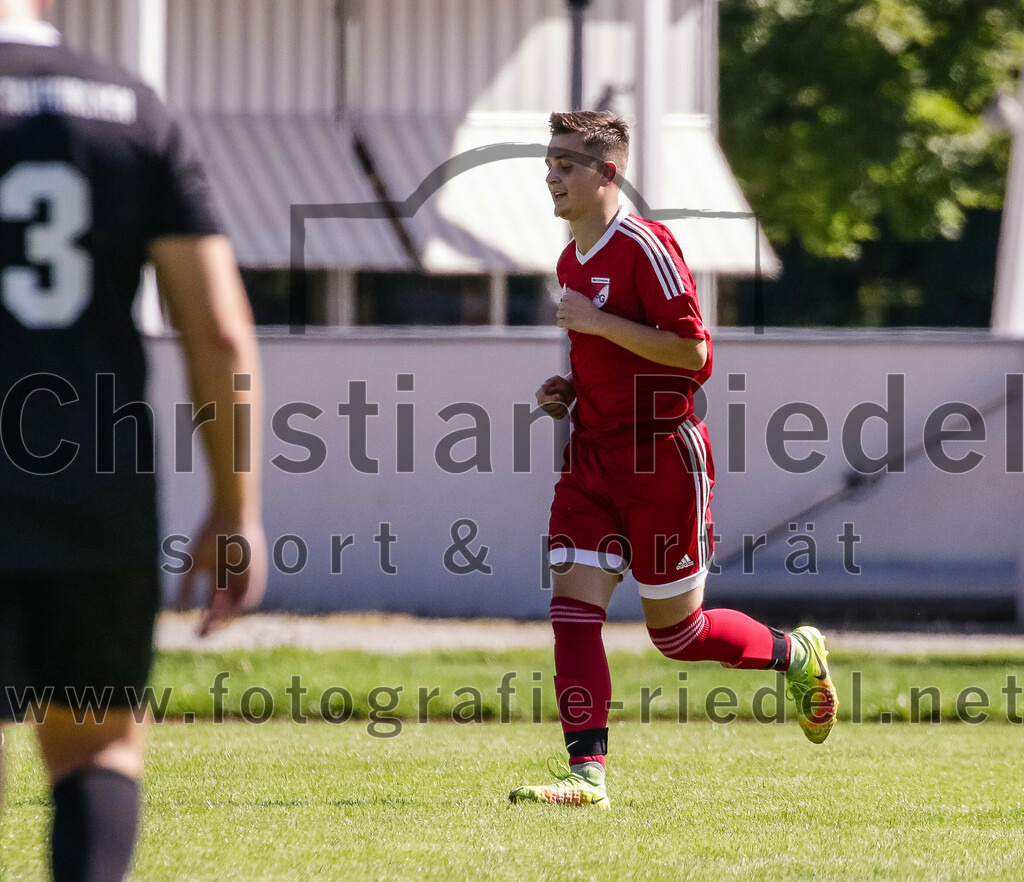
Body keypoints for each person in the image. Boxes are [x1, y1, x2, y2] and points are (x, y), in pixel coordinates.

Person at [0, 1, 267, 877]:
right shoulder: (129, 108)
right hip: (94, 488)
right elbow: (220, 330)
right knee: (97, 746)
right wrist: (236, 509)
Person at [509, 111, 837, 809]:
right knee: (571, 611)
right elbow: (613, 354)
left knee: (679, 635)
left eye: (567, 164)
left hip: (663, 459)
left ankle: (794, 654)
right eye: (550, 162)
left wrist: (596, 324)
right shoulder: (572, 260)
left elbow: (695, 355)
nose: (552, 176)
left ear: (609, 173)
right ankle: (586, 775)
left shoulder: (647, 245)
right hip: (593, 458)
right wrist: (570, 387)